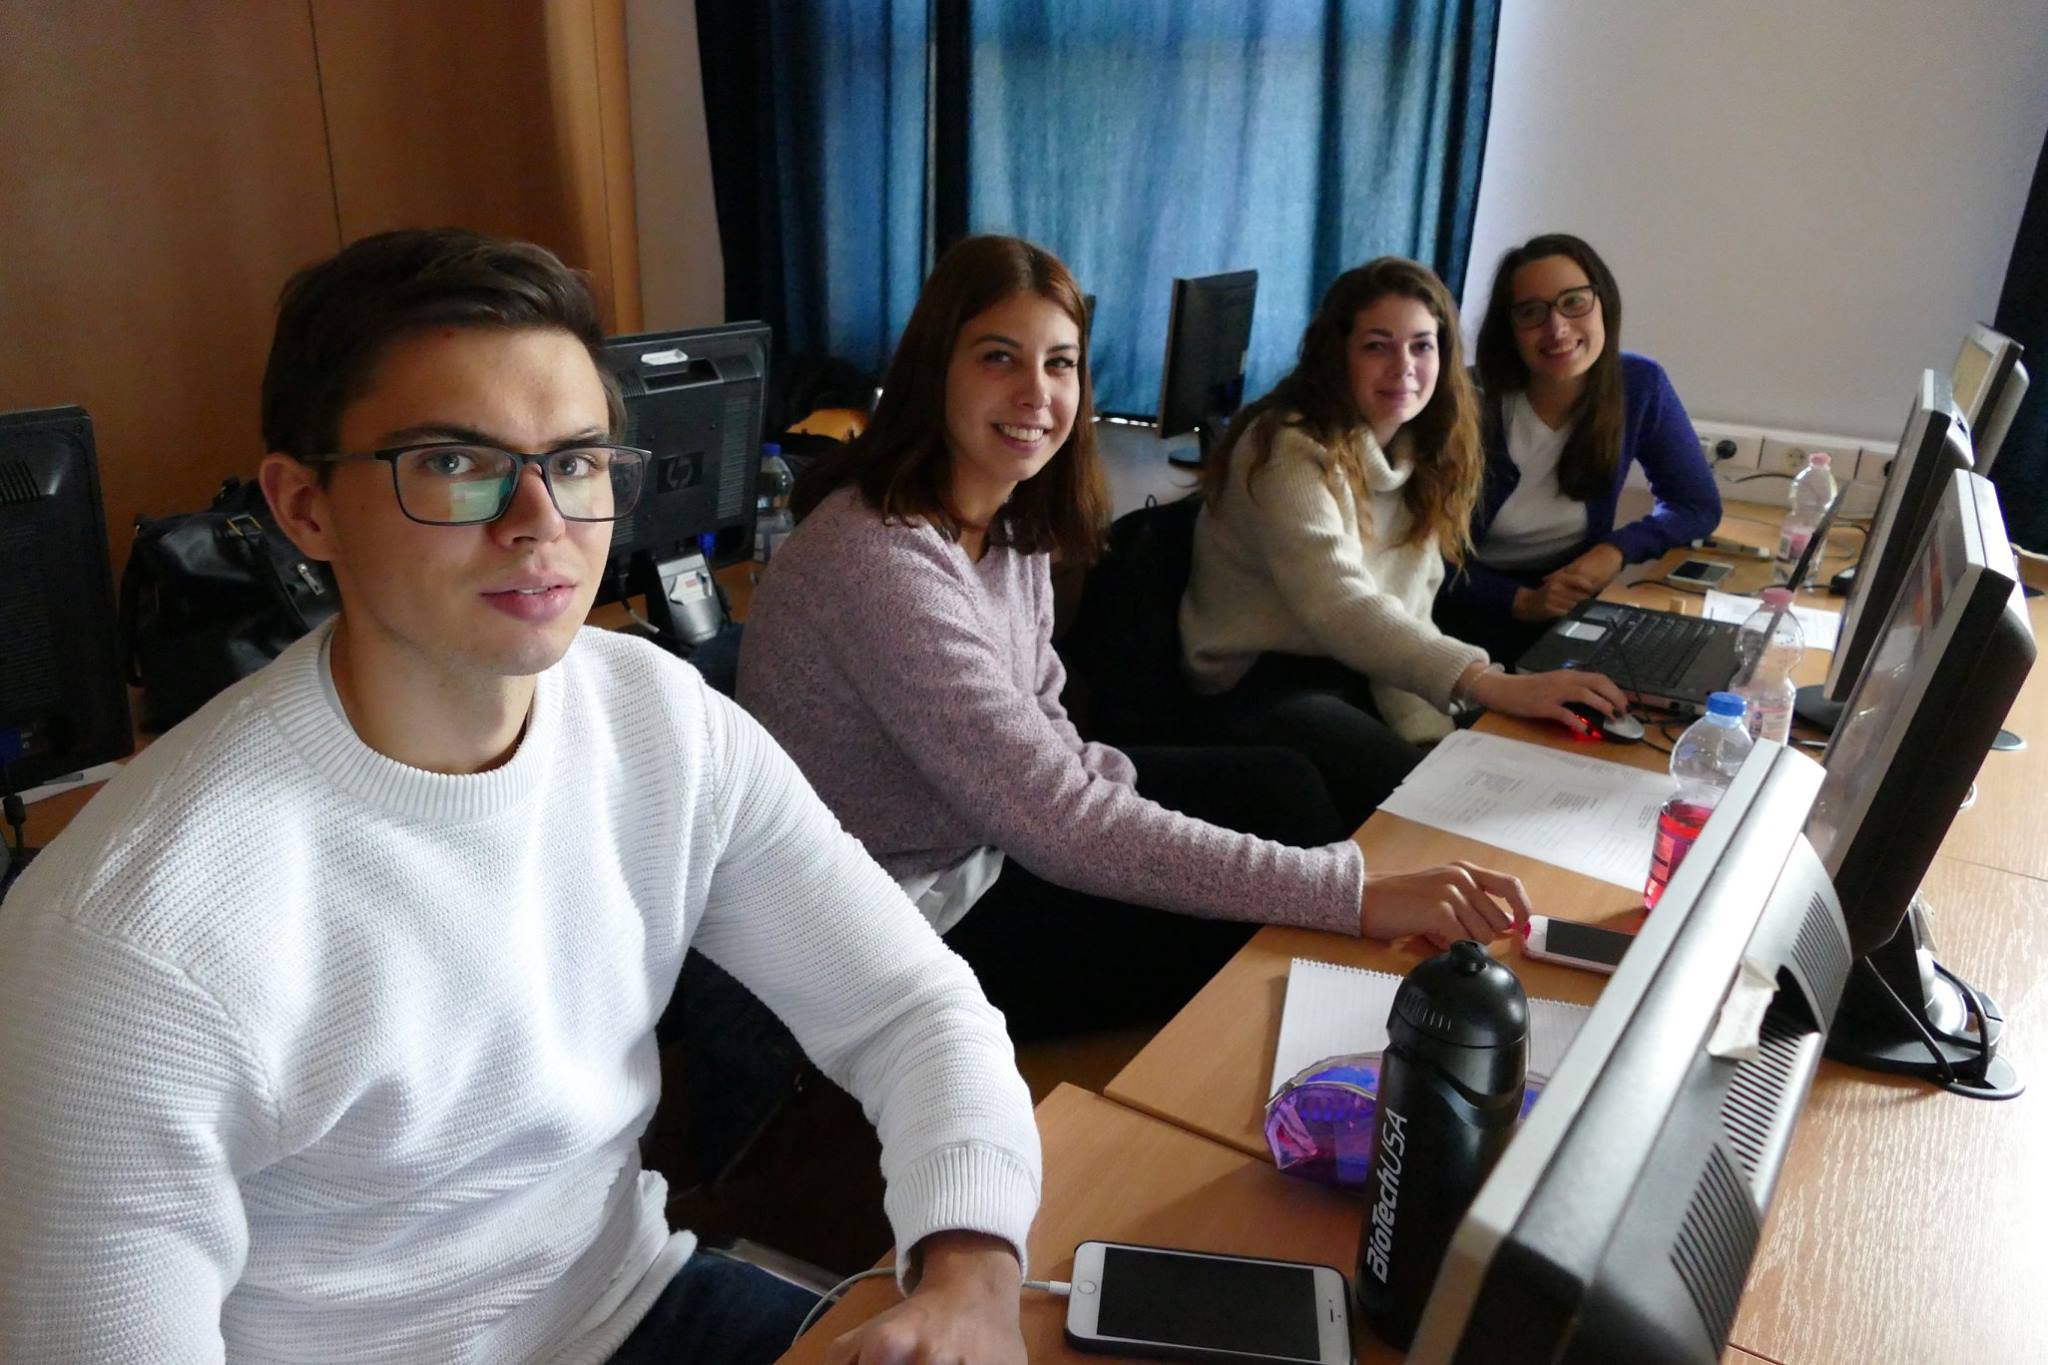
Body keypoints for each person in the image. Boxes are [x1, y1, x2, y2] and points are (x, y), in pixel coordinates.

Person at [0, 229, 1041, 1365]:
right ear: (304, 507)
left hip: (633, 1307)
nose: (540, 519)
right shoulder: (128, 934)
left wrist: (972, 1271)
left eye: (578, 461)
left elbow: (908, 1006)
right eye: (456, 462)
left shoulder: (661, 719)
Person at [738, 235, 1532, 1043]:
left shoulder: (1008, 521)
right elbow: (1055, 817)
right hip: (902, 917)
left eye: (1060, 364)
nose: (1036, 393)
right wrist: (1351, 894)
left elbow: (1049, 726)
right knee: (1259, 936)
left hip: (989, 839)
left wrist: (1137, 805)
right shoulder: (879, 558)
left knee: (1282, 789)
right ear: (933, 367)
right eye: (999, 358)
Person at [1181, 256, 1628, 820]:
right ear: (1336, 353)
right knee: (1439, 807)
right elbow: (1339, 604)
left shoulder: (1419, 445)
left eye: (1422, 346)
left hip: (1359, 667)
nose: (1404, 367)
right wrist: (1487, 683)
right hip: (1263, 681)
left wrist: (1456, 711)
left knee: (1497, 768)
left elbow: (1408, 603)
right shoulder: (1285, 448)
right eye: (1377, 346)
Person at [1434, 232, 1722, 663]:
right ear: (1510, 329)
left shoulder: (1638, 385)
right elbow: (1414, 552)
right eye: (1531, 312)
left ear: (1603, 302)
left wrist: (1615, 551)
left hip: (1566, 610)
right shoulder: (1465, 403)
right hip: (1458, 611)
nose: (1557, 329)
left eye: (1573, 302)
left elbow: (1696, 505)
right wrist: (1518, 601)